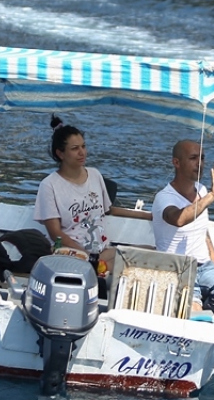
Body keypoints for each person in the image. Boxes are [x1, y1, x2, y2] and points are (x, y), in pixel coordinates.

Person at [34, 115, 146, 282]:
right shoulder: (49, 185)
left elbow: (108, 210)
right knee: (132, 265)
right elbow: (55, 233)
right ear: (60, 153)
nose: (82, 152)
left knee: (150, 252)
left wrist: (149, 216)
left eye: (83, 146)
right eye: (74, 148)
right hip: (72, 255)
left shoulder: (95, 175)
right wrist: (87, 257)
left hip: (102, 251)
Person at [151, 139, 214, 315]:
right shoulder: (164, 197)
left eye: (202, 158)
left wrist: (212, 253)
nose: (200, 164)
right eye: (193, 158)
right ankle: (193, 313)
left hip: (203, 265)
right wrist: (212, 195)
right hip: (177, 266)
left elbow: (201, 227)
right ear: (176, 163)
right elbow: (179, 219)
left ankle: (204, 316)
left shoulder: (201, 190)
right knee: (193, 304)